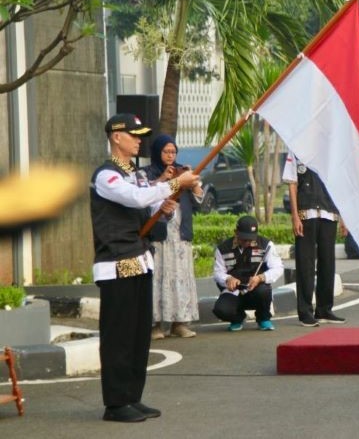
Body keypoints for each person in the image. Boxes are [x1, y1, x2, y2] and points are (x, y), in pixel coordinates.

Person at [90, 113, 199, 423]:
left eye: (141, 135)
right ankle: (115, 403)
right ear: (116, 137)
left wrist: (162, 209)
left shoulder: (135, 173)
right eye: (134, 135)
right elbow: (135, 199)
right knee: (118, 338)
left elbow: (145, 208)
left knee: (138, 337)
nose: (139, 140)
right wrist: (174, 183)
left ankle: (132, 397)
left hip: (139, 260)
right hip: (116, 264)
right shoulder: (105, 175)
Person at [142, 134, 203, 340]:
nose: (170, 156)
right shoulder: (147, 172)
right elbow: (142, 196)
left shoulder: (183, 172)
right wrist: (162, 181)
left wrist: (192, 181)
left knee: (181, 277)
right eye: (166, 151)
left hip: (180, 234)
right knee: (160, 278)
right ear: (157, 152)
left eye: (173, 152)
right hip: (159, 236)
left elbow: (199, 202)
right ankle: (156, 325)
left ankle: (180, 322)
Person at [282, 151, 346, 326]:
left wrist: (344, 217)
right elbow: (292, 184)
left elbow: (338, 185)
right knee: (305, 264)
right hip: (306, 212)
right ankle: (305, 312)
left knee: (327, 263)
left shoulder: (330, 149)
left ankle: (324, 309)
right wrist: (295, 216)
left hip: (329, 212)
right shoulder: (295, 149)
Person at [212, 215, 284, 331]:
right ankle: (237, 318)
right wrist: (228, 278)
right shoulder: (222, 248)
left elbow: (278, 268)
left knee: (264, 291)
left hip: (256, 289)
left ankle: (263, 318)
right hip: (234, 292)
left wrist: (261, 277)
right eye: (244, 239)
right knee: (221, 310)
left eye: (251, 239)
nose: (248, 242)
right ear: (236, 232)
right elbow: (217, 273)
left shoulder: (266, 245)